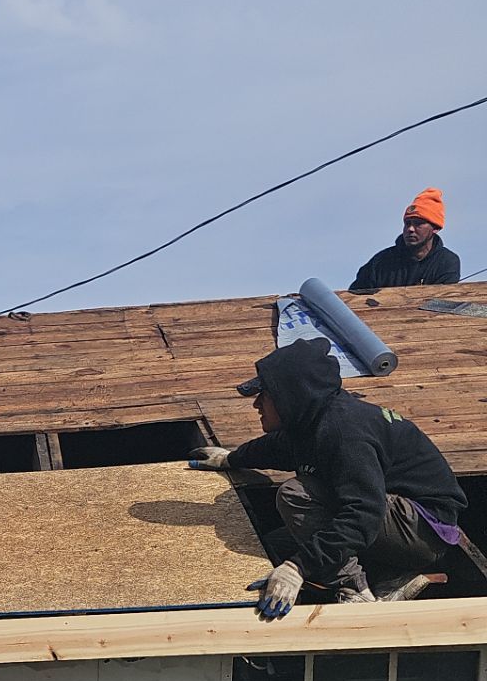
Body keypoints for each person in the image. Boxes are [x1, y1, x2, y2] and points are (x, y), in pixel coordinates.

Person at [189, 336, 466, 619]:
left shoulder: (344, 433)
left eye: (265, 395)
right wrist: (230, 459)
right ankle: (391, 575)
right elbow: (275, 448)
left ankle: (354, 588)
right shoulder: (311, 422)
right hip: (397, 525)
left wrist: (297, 569)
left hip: (423, 529)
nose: (256, 404)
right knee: (275, 546)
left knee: (295, 495)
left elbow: (364, 513)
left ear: (291, 396)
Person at [348, 189, 461, 293]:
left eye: (418, 224)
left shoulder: (447, 261)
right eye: (407, 224)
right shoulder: (381, 261)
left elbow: (443, 302)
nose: (410, 229)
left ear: (435, 228)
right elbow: (353, 299)